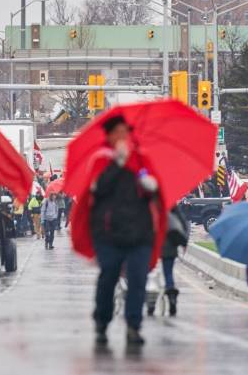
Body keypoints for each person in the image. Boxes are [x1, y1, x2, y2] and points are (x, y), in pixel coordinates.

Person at [88, 115, 159, 347]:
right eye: (117, 132)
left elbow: (153, 191)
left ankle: (133, 326)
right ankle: (102, 320)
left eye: (125, 132)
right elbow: (98, 190)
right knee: (108, 277)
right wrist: (117, 164)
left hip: (139, 232)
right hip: (109, 233)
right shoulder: (101, 160)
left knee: (138, 279)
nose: (122, 137)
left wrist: (150, 185)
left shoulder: (140, 158)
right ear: (109, 136)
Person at [161, 205, 188, 316]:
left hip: (149, 242)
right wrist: (184, 242)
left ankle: (148, 299)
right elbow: (182, 222)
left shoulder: (146, 199)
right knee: (168, 273)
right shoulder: (171, 203)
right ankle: (171, 291)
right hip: (169, 243)